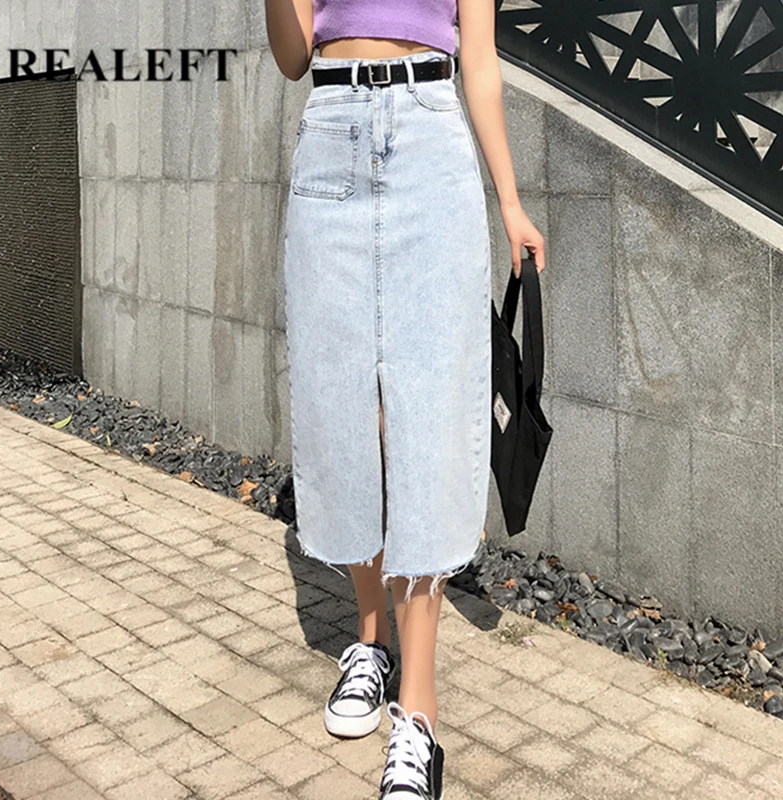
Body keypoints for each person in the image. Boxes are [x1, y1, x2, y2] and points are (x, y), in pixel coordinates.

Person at [265, 1, 546, 796]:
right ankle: (369, 641)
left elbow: (480, 61)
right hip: (332, 129)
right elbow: (292, 54)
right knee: (343, 405)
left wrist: (510, 200)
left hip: (429, 138)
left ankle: (417, 710)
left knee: (422, 417)